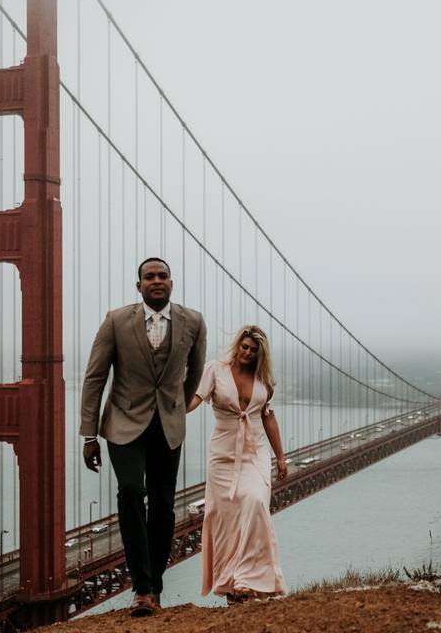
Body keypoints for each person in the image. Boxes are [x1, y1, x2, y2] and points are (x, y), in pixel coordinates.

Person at [79, 257, 207, 616]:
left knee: (164, 507)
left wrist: (175, 406)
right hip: (123, 423)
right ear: (138, 286)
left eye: (162, 276)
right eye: (149, 276)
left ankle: (155, 588)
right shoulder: (116, 321)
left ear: (172, 282)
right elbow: (94, 378)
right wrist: (89, 434)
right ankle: (142, 588)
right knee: (132, 491)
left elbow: (194, 373)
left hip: (168, 425)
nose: (156, 281)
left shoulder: (193, 321)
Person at [188, 325, 288, 603]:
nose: (247, 352)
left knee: (255, 502)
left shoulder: (263, 381)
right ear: (237, 345)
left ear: (260, 354)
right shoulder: (215, 370)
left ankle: (249, 580)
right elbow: (194, 399)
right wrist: (174, 406)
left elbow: (267, 417)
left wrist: (280, 457)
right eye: (244, 347)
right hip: (222, 456)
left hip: (254, 453)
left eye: (253, 350)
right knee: (226, 521)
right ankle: (233, 588)